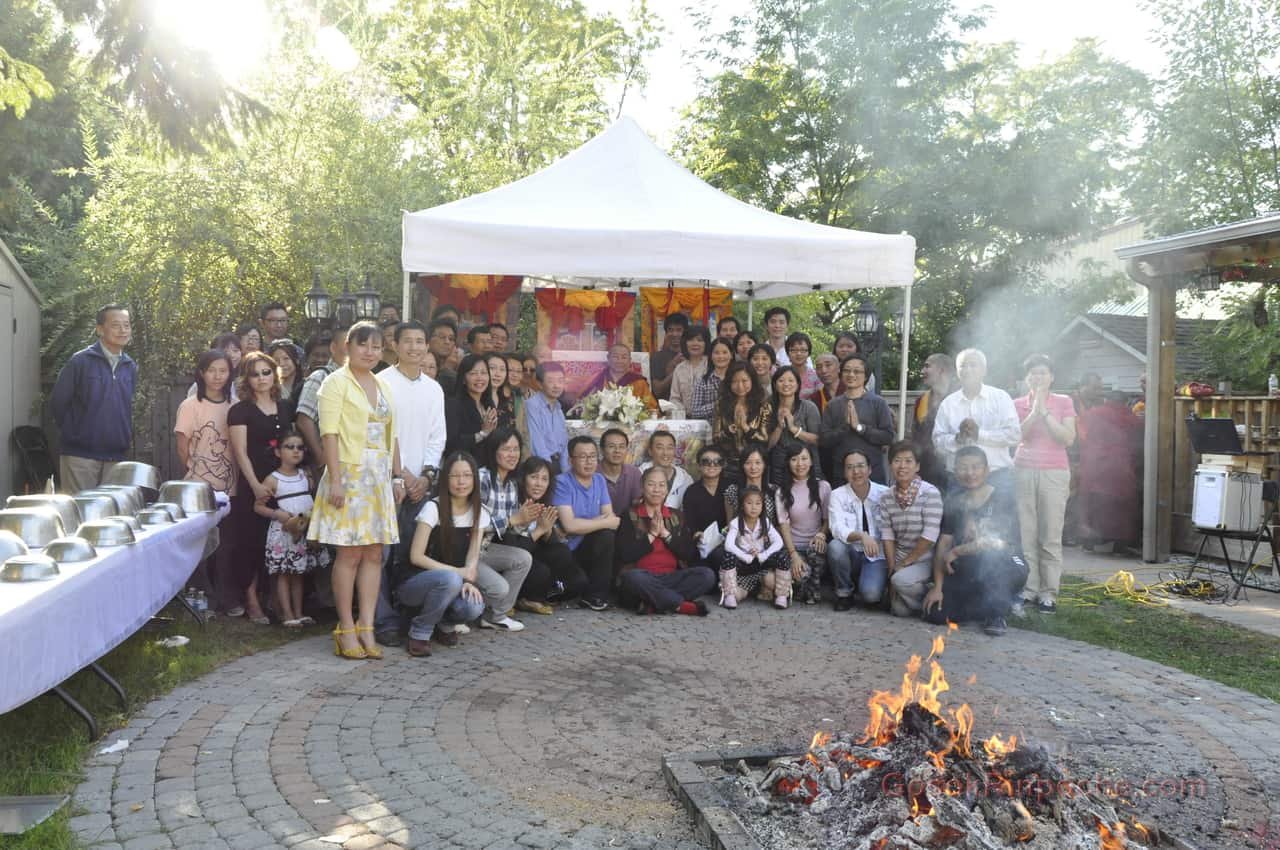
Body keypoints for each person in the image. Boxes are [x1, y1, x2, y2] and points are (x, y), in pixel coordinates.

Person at [307, 321, 406, 660]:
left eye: (377, 346)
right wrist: (335, 480)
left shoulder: (384, 384)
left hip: (378, 477)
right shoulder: (334, 383)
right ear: (347, 346)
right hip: (348, 474)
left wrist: (396, 477)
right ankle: (345, 626)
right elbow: (329, 434)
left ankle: (367, 626)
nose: (370, 352)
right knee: (349, 554)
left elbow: (392, 436)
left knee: (374, 553)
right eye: (363, 344)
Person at [373, 320, 447, 646]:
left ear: (427, 346)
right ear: (395, 345)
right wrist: (397, 476)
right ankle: (382, 619)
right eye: (408, 341)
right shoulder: (380, 384)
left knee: (410, 553)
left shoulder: (434, 388)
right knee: (380, 555)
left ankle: (411, 616)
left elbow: (437, 437)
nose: (414, 347)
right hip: (383, 482)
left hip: (420, 485)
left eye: (420, 341)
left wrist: (426, 476)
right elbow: (379, 435)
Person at [923, 446, 1028, 636]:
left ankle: (997, 612)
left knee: (993, 560)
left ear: (987, 470)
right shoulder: (954, 502)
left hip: (1008, 562)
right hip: (972, 568)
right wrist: (938, 587)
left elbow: (997, 542)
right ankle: (983, 604)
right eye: (963, 467)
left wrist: (957, 551)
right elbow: (944, 543)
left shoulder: (1002, 499)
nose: (970, 473)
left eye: (975, 467)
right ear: (955, 472)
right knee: (936, 613)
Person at [398, 452, 489, 657]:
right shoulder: (433, 507)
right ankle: (420, 632)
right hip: (414, 583)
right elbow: (416, 556)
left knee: (474, 605)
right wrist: (458, 573)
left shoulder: (479, 512)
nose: (461, 481)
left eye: (467, 475)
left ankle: (444, 625)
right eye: (455, 476)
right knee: (449, 579)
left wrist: (468, 580)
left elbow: (472, 557)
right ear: (446, 479)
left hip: (451, 582)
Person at [229, 351, 295, 625]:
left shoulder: (285, 405)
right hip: (252, 485)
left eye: (266, 372)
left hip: (282, 483)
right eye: (254, 374)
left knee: (279, 541)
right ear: (246, 379)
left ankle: (279, 601)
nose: (261, 379)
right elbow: (240, 453)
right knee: (251, 543)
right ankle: (252, 600)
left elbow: (292, 444)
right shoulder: (240, 410)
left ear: (274, 374)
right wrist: (255, 485)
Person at [174, 350, 237, 612]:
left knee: (227, 546)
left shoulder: (234, 405)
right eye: (211, 370)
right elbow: (182, 446)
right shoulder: (190, 405)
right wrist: (196, 471)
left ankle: (226, 597)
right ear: (201, 373)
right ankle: (202, 596)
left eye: (223, 370)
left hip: (231, 488)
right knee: (202, 546)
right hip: (199, 490)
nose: (217, 376)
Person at [50, 304, 138, 492]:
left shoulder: (130, 366)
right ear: (99, 329)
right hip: (80, 456)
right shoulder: (80, 361)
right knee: (80, 514)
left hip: (116, 457)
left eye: (127, 325)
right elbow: (58, 404)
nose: (123, 330)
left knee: (110, 517)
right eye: (116, 325)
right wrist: (76, 434)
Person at [1013, 354, 1076, 616]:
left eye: (1042, 373)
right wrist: (1033, 412)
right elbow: (1016, 435)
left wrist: (1045, 412)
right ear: (1026, 378)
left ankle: (1048, 592)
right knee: (1026, 532)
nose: (1038, 378)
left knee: (1050, 533)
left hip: (1054, 472)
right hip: (1023, 469)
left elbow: (1067, 438)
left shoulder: (1064, 402)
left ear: (1052, 376)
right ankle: (1029, 589)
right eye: (1033, 374)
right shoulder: (1017, 403)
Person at [616, 467, 715, 615]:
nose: (656, 489)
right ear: (642, 487)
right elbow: (626, 554)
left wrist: (665, 535)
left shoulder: (676, 516)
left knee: (707, 575)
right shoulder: (630, 515)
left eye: (661, 485)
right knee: (633, 578)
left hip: (671, 578)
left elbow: (689, 554)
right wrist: (652, 534)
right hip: (644, 577)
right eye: (651, 484)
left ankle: (654, 603)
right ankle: (681, 606)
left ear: (667, 489)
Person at [465, 429, 536, 630]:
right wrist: (513, 519)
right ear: (493, 451)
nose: (512, 454)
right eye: (506, 449)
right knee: (499, 587)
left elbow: (509, 528)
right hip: (467, 550)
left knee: (523, 558)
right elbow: (474, 524)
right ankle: (458, 616)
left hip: (486, 549)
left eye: (515, 449)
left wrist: (525, 521)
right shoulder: (482, 478)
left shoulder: (512, 484)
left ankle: (497, 615)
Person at [255, 430, 327, 628]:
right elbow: (258, 506)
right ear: (278, 452)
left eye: (300, 447)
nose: (296, 451)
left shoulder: (306, 476)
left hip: (302, 531)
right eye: (290, 447)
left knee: (298, 572)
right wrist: (277, 514)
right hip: (283, 533)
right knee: (284, 573)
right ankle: (286, 614)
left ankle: (299, 612)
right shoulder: (273, 479)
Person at [932, 348, 1021, 493]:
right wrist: (957, 439)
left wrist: (979, 435)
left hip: (997, 475)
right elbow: (937, 440)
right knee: (958, 516)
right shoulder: (948, 403)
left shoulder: (1000, 397)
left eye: (973, 365)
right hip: (958, 478)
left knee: (1001, 516)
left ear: (984, 370)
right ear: (957, 371)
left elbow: (1014, 435)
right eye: (963, 366)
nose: (968, 370)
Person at [510, 456, 590, 606]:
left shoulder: (543, 502)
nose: (539, 484)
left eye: (544, 479)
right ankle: (525, 599)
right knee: (541, 571)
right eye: (534, 477)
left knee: (577, 577)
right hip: (517, 559)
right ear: (523, 478)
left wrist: (547, 531)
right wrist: (539, 530)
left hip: (538, 555)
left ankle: (544, 594)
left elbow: (553, 546)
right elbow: (515, 549)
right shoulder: (513, 501)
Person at [553, 435, 620, 611]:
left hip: (589, 546)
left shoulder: (598, 480)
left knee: (607, 536)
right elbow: (569, 526)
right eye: (582, 457)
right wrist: (598, 521)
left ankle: (596, 597)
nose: (589, 461)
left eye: (592, 456)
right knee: (577, 584)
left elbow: (612, 519)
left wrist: (587, 524)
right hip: (568, 550)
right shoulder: (562, 482)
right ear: (570, 460)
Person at [879, 442, 945, 617]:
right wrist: (892, 567)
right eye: (897, 461)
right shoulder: (886, 496)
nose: (902, 466)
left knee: (899, 580)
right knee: (898, 611)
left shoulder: (930, 493)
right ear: (890, 464)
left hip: (926, 557)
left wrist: (904, 564)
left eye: (908, 461)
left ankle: (930, 601)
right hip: (900, 555)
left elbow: (930, 536)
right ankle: (919, 602)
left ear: (917, 466)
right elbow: (887, 535)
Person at [1077, 391, 1142, 554]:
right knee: (1121, 504)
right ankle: (1119, 544)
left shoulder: (1093, 414)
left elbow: (1082, 434)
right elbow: (1139, 440)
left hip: (1095, 463)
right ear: (1125, 402)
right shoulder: (1131, 418)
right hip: (1120, 465)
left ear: (1106, 400)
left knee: (1094, 501)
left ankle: (1089, 541)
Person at [827, 448, 890, 610]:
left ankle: (868, 583)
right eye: (850, 467)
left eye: (860, 466)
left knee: (871, 596)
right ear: (844, 472)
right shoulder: (837, 495)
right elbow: (837, 528)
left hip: (877, 555)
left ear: (869, 469)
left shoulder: (885, 493)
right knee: (835, 547)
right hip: (852, 553)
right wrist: (862, 536)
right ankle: (844, 592)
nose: (856, 471)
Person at [819, 354, 894, 484]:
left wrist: (860, 427)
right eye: (847, 370)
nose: (851, 374)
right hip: (842, 475)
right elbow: (824, 439)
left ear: (865, 376)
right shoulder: (833, 405)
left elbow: (887, 436)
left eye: (857, 371)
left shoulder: (878, 403)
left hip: (873, 475)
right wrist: (845, 428)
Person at [775, 444, 830, 606]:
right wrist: (793, 555)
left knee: (815, 555)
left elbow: (827, 520)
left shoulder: (823, 487)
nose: (800, 464)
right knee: (801, 575)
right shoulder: (782, 491)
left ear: (812, 461)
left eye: (804, 458)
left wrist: (821, 534)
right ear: (788, 463)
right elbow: (783, 525)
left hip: (815, 547)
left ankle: (811, 589)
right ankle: (805, 587)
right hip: (792, 547)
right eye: (794, 459)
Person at [719, 485, 788, 609]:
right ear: (742, 505)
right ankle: (730, 595)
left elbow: (778, 542)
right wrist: (745, 556)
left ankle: (781, 595)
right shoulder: (736, 522)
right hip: (743, 564)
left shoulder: (765, 522)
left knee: (782, 556)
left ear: (762, 506)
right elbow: (728, 545)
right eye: (749, 503)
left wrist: (764, 554)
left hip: (760, 562)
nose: (753, 507)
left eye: (758, 503)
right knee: (728, 556)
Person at [296, 325, 347, 478]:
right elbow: (304, 419)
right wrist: (321, 458)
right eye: (347, 344)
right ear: (333, 347)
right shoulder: (321, 376)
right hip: (327, 465)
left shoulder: (356, 379)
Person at [713, 362, 773, 474]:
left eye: (744, 381)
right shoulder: (721, 405)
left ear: (752, 381)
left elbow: (765, 439)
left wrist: (746, 429)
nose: (740, 386)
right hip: (728, 464)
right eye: (735, 381)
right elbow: (715, 438)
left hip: (755, 465)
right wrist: (728, 432)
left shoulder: (763, 405)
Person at [911, 353, 959, 489]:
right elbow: (915, 437)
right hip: (926, 469)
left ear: (942, 370)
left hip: (953, 468)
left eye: (927, 366)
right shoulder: (922, 400)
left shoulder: (959, 399)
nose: (922, 371)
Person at [768, 366, 822, 485]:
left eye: (791, 380)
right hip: (779, 467)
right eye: (781, 380)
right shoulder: (768, 408)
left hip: (806, 465)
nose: (786, 384)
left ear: (798, 385)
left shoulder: (808, 407)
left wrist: (794, 429)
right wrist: (779, 427)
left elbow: (818, 440)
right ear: (775, 384)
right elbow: (767, 445)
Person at [682, 445, 729, 567]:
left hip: (729, 543)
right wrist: (696, 534)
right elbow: (689, 523)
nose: (712, 465)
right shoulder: (691, 492)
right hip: (703, 544)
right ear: (699, 465)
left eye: (717, 461)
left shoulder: (731, 487)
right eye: (706, 461)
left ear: (723, 465)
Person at [445, 354, 498, 458]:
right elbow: (451, 443)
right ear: (463, 379)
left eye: (483, 373)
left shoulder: (489, 404)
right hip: (464, 467)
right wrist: (483, 433)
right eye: (473, 373)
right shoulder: (453, 404)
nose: (479, 378)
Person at [577, 342, 658, 409]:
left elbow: (652, 409)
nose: (619, 361)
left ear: (630, 360)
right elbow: (581, 402)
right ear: (608, 359)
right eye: (615, 357)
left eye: (624, 357)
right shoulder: (597, 378)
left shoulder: (639, 382)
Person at [526, 361, 570, 474]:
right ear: (540, 384)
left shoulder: (559, 408)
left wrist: (566, 473)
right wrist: (548, 472)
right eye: (550, 381)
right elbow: (537, 445)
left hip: (558, 464)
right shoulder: (532, 405)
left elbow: (564, 445)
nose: (556, 385)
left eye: (560, 381)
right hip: (541, 466)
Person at [723, 444, 778, 527]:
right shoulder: (732, 491)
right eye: (748, 463)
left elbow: (779, 524)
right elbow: (729, 524)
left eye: (758, 462)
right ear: (742, 465)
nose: (753, 467)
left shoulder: (774, 491)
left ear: (764, 465)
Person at [638, 430, 693, 509]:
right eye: (660, 448)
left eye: (669, 448)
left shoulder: (685, 479)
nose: (665, 453)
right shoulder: (639, 474)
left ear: (675, 451)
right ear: (650, 451)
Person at [600, 428, 643, 518]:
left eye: (622, 447)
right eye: (611, 446)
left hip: (627, 525)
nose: (617, 451)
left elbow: (638, 504)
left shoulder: (634, 473)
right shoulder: (592, 473)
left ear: (627, 450)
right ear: (602, 450)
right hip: (597, 525)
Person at [186, 332, 242, 401]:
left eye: (235, 351)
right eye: (225, 351)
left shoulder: (238, 382)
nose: (232, 355)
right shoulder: (199, 387)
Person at [669, 325, 711, 414]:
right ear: (685, 343)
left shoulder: (712, 365)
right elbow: (674, 398)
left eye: (699, 340)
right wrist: (682, 412)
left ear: (706, 343)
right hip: (685, 420)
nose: (695, 343)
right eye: (691, 340)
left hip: (709, 418)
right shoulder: (679, 369)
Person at [690, 337, 734, 422]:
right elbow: (694, 412)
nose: (721, 356)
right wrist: (717, 406)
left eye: (725, 352)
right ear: (711, 356)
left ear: (731, 354)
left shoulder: (738, 379)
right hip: (710, 430)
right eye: (716, 353)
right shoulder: (702, 382)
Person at [651, 312, 690, 400]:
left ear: (685, 332)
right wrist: (677, 370)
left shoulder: (692, 356)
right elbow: (657, 390)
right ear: (666, 332)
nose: (674, 334)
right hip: (665, 408)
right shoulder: (657, 357)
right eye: (670, 330)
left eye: (679, 330)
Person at [485, 352, 516, 431]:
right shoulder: (477, 397)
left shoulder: (509, 397)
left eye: (502, 369)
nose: (498, 374)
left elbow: (512, 426)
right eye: (492, 368)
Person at [784, 332, 821, 397]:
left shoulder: (816, 376)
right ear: (787, 353)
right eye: (794, 350)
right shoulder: (782, 375)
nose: (798, 354)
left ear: (808, 353)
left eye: (803, 350)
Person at [269, 339, 305, 403]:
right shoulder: (269, 388)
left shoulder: (305, 385)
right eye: (276, 360)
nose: (281, 364)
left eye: (286, 358)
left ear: (297, 360)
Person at [428, 318, 459, 394]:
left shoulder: (454, 378)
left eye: (451, 339)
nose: (447, 342)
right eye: (442, 337)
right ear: (428, 339)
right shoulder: (417, 368)